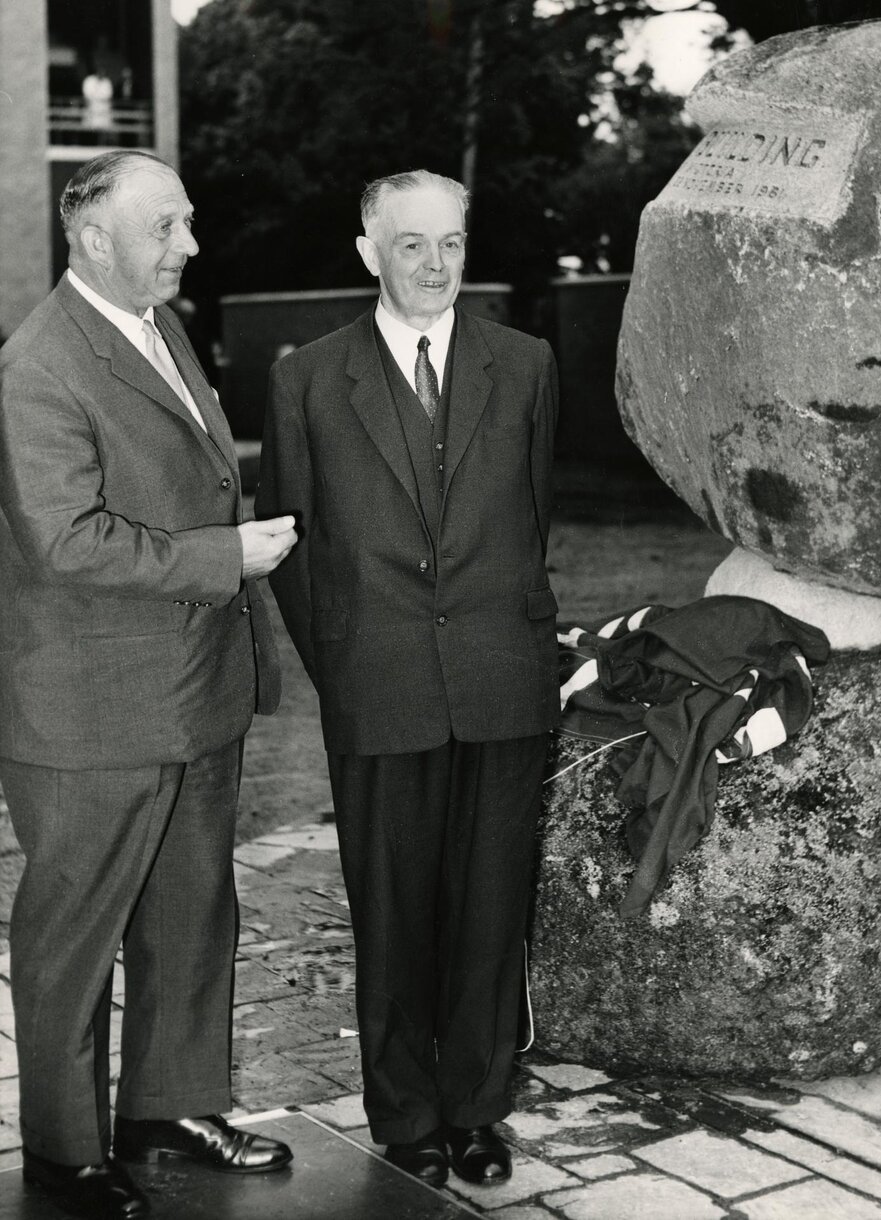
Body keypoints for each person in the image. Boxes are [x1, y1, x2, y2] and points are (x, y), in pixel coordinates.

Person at [0, 150, 298, 1219]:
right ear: (93, 239)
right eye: (165, 226)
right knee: (73, 936)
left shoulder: (157, 327)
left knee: (190, 915)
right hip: (91, 709)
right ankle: (64, 1154)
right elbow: (62, 540)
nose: (191, 244)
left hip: (192, 689)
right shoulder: (37, 365)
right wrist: (228, 557)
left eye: (187, 221)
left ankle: (168, 1109)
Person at [256, 169, 560, 1190]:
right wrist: (344, 664)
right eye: (411, 244)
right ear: (368, 252)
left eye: (451, 243)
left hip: (500, 676)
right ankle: (406, 1115)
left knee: (490, 908)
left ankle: (476, 1109)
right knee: (389, 911)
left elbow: (532, 516)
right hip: (377, 682)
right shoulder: (309, 379)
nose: (435, 265)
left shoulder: (525, 364)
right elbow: (293, 547)